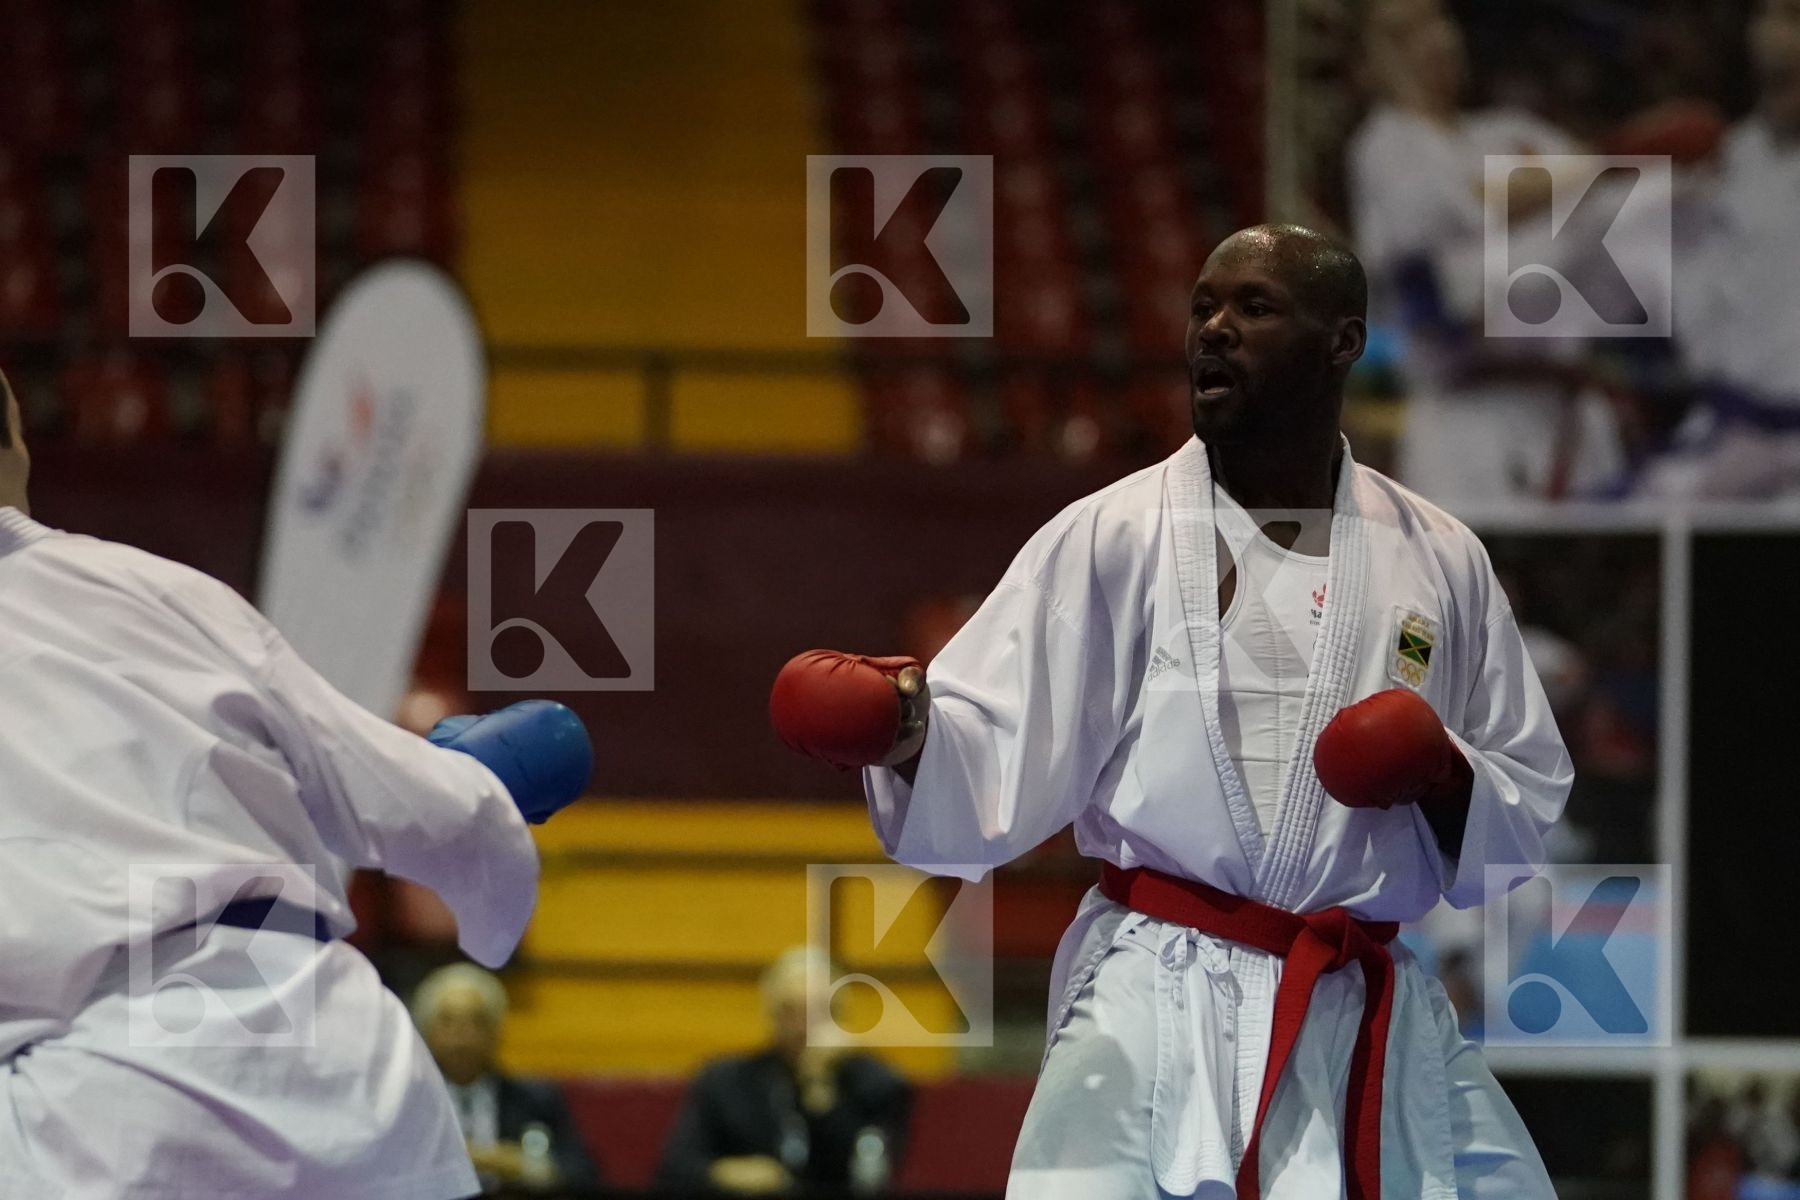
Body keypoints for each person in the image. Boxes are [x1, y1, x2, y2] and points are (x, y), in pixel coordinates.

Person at [772, 225, 1571, 1198]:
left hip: (1359, 1001)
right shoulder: (1113, 537)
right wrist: (899, 729)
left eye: (1255, 308)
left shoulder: (1440, 558)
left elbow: (1525, 803)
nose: (1217, 330)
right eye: (1203, 308)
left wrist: (1446, 778)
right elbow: (993, 739)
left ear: (1342, 341)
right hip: (1156, 991)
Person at [0, 367, 594, 1199]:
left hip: (99, 1116)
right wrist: (483, 792)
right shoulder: (156, 591)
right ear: (18, 435)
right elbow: (401, 794)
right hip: (338, 1069)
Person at [1347, 0, 1627, 503]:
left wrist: (1570, 182)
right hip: (1464, 421)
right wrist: (1573, 180)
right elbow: (1464, 213)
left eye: (1439, 21)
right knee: (1464, 578)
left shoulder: (1512, 131)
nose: (1435, 41)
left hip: (1565, 410)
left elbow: (1614, 201)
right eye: (1403, 34)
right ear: (1368, 66)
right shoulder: (1384, 148)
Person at [1634, 0, 1800, 498]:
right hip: (1736, 443)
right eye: (1767, 15)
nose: (1774, 34)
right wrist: (1608, 153)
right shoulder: (1718, 166)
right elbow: (1534, 284)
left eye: (1793, 16)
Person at [656, 946, 912, 1195]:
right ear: (771, 1014)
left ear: (841, 1014)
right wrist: (730, 1174)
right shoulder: (725, 1082)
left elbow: (868, 1177)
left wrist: (819, 1089)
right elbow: (675, 1169)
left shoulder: (878, 1084)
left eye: (818, 1011)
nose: (804, 1027)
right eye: (791, 1012)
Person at [414, 963, 602, 1193]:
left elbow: (582, 1172)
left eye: (476, 1022)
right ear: (426, 1032)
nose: (462, 1036)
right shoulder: (409, 1102)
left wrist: (524, 1165)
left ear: (497, 1031)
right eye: (448, 1023)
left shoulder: (534, 1098)